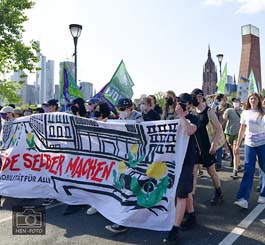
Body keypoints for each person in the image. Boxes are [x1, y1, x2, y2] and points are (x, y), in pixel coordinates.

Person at [163, 93, 199, 243]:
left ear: (189, 105)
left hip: (187, 159)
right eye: (178, 102)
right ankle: (191, 216)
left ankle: (175, 230)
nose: (179, 105)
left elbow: (189, 131)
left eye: (183, 103)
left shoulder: (194, 118)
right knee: (185, 190)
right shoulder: (172, 117)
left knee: (181, 194)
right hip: (175, 158)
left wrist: (182, 116)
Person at [105, 98, 143, 234]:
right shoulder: (118, 119)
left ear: (130, 108)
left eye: (122, 109)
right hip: (122, 159)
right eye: (118, 109)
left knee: (129, 190)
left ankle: (123, 221)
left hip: (135, 160)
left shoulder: (138, 118)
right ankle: (122, 218)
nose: (119, 111)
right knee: (123, 189)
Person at [191, 88, 224, 205]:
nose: (193, 99)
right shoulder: (192, 112)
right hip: (196, 146)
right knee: (193, 172)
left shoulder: (209, 111)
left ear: (200, 97)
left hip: (207, 146)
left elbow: (219, 128)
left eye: (195, 97)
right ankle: (191, 198)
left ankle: (218, 193)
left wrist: (214, 144)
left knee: (211, 171)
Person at [234, 93, 265, 209]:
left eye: (255, 98)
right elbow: (242, 130)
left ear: (259, 100)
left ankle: (263, 194)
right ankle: (243, 199)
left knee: (263, 168)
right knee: (248, 169)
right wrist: (237, 144)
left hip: (263, 144)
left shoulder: (263, 112)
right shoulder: (245, 113)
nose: (253, 100)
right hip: (249, 144)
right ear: (248, 100)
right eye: (251, 98)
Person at [86, 102, 111, 216]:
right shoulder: (93, 120)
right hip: (95, 155)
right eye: (95, 109)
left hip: (108, 157)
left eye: (98, 109)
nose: (95, 111)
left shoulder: (112, 122)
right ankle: (96, 204)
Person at [223, 98, 242, 179]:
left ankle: (235, 171)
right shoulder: (229, 110)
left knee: (235, 151)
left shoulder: (243, 111)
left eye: (237, 101)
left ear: (240, 103)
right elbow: (224, 117)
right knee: (234, 151)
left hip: (237, 134)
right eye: (234, 101)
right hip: (229, 133)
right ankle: (238, 164)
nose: (235, 103)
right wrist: (225, 114)